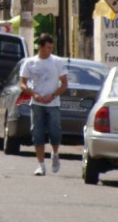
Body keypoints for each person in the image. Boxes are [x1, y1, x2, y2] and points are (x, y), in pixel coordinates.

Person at [19, 33, 68, 176]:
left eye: (51, 48)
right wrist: (33, 94)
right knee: (37, 133)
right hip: (37, 103)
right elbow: (22, 83)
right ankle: (41, 165)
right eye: (47, 47)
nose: (49, 50)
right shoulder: (30, 63)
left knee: (55, 132)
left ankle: (55, 153)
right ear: (40, 47)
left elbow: (64, 83)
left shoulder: (57, 62)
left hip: (53, 103)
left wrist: (53, 95)